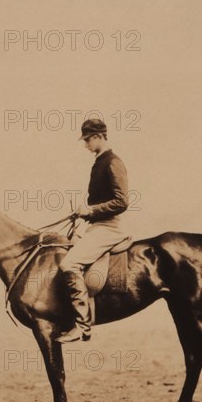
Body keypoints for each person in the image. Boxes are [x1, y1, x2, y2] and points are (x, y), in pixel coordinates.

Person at [56, 119, 130, 343]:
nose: (85, 144)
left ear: (98, 136)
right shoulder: (99, 161)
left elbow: (122, 201)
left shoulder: (113, 162)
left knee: (69, 264)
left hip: (110, 227)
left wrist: (90, 210)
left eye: (87, 139)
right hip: (96, 226)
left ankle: (82, 325)